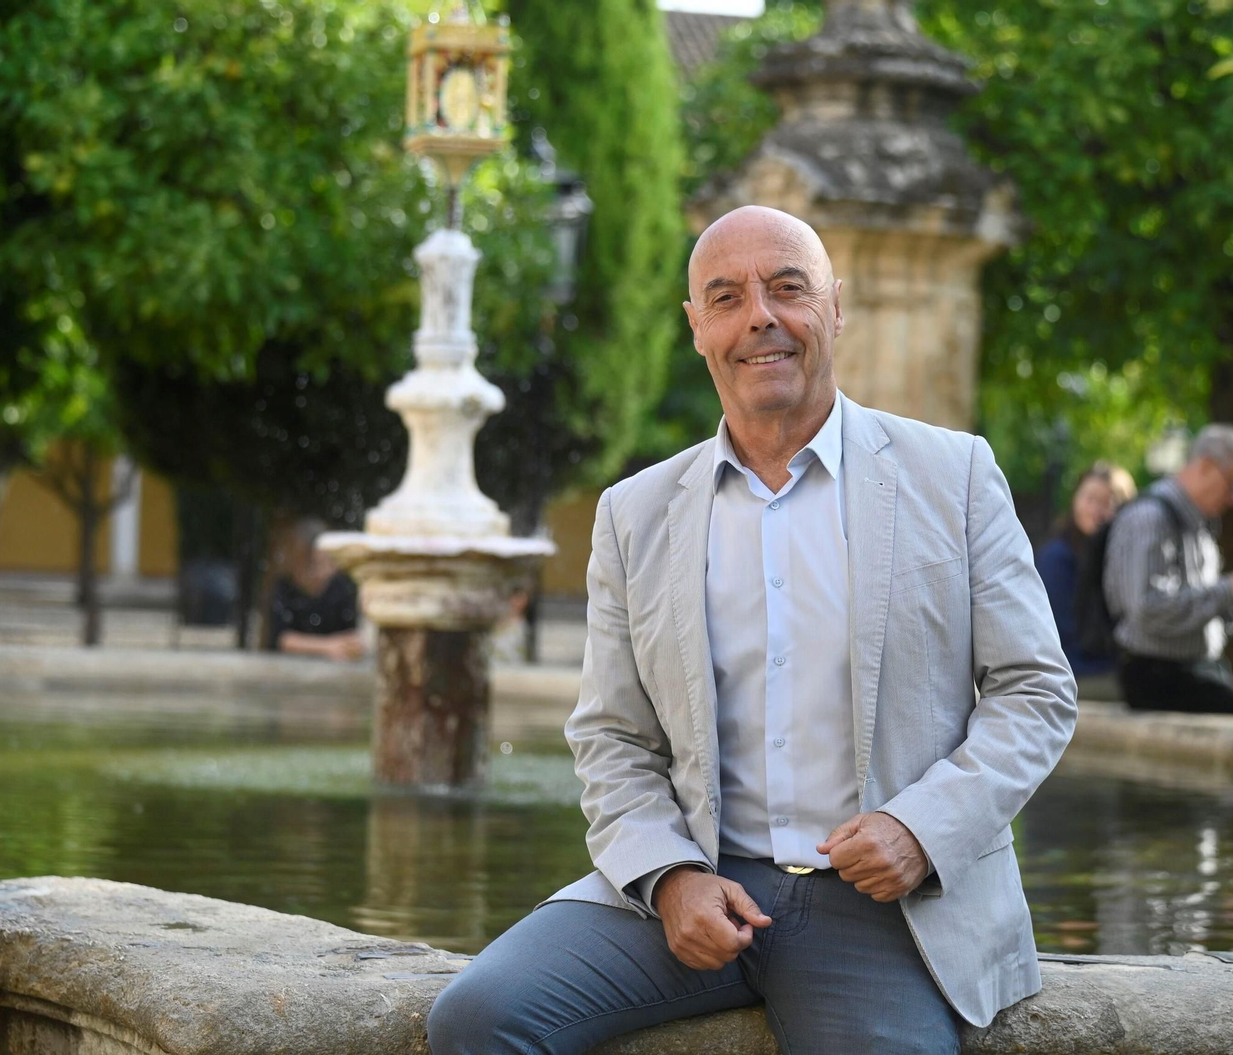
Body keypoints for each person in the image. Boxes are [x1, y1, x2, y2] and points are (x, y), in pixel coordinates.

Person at [428, 206, 1077, 1054]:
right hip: (696, 884)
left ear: (836, 308)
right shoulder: (635, 513)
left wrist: (923, 826)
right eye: (727, 297)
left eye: (788, 288)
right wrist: (668, 877)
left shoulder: (951, 475)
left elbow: (1034, 689)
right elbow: (613, 735)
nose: (759, 317)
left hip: (882, 903)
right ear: (697, 328)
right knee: (478, 1017)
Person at [1102, 424, 1233, 721]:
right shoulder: (1150, 518)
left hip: (1195, 670)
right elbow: (1147, 609)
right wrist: (1229, 589)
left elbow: (1198, 619)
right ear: (1205, 466)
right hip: (1158, 677)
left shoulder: (1200, 525)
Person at [1035, 462, 1137, 690]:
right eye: (1090, 499)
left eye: (1110, 502)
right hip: (1070, 674)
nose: (1097, 509)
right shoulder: (1057, 558)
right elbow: (1062, 642)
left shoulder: (1116, 557)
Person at [263, 518, 364, 662]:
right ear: (298, 561)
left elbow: (351, 635)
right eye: (314, 564)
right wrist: (327, 646)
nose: (322, 572)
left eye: (327, 562)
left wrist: (351, 646)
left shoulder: (341, 587)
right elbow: (283, 640)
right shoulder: (285, 588)